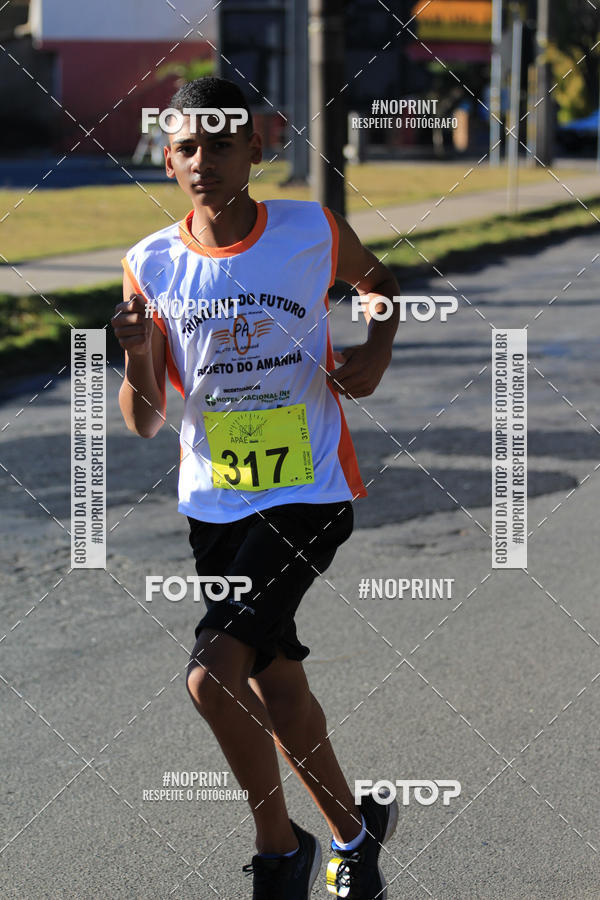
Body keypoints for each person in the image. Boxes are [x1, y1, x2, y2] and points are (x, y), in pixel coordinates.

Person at [112, 76, 400, 899]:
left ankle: (282, 850)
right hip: (215, 501)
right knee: (273, 677)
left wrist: (376, 347)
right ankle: (356, 830)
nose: (204, 161)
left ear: (256, 152)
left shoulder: (309, 228)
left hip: (309, 488)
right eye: (186, 148)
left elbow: (381, 286)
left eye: (221, 145)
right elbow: (142, 419)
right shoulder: (151, 264)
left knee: (212, 674)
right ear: (167, 161)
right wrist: (135, 354)